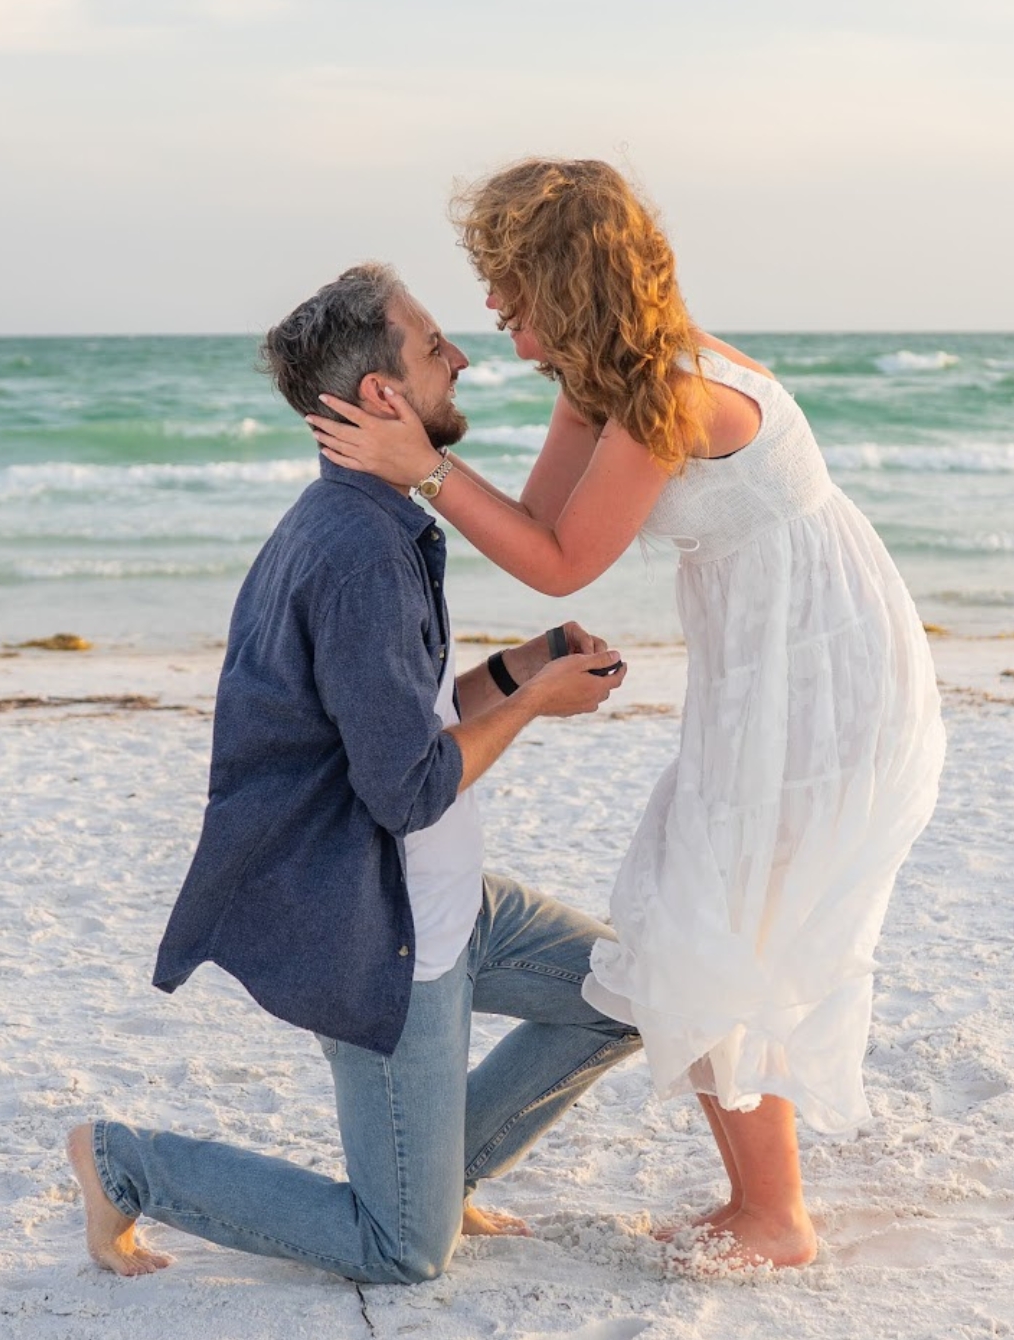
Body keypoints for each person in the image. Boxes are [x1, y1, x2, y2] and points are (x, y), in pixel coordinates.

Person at [310, 159, 946, 1268]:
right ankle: (763, 1203)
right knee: (696, 911)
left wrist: (422, 472)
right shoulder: (604, 380)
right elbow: (542, 528)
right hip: (767, 669)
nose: (503, 328)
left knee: (715, 916)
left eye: (516, 297)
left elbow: (561, 561)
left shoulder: (669, 396)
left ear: (576, 281)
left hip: (825, 676)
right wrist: (421, 467)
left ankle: (774, 1216)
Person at [67, 263, 643, 1283]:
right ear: (383, 397)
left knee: (635, 992)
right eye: (433, 348)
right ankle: (126, 1164)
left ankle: (434, 1167)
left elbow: (394, 723)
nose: (461, 355)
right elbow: (408, 786)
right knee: (403, 1249)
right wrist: (535, 704)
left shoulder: (374, 524)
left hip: (453, 903)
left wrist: (518, 667)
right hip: (386, 933)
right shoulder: (360, 556)